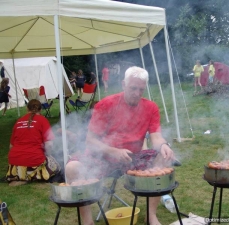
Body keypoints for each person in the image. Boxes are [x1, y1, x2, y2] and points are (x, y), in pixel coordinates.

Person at [65, 66, 175, 225]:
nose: (137, 93)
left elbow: (156, 137)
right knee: (72, 168)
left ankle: (151, 216)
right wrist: (114, 151)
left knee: (164, 159)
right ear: (124, 84)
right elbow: (90, 140)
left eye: (141, 89)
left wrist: (164, 145)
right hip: (103, 155)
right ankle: (87, 221)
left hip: (134, 157)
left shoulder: (151, 107)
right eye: (133, 88)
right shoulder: (105, 104)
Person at [5, 99, 61, 186]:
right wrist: (48, 156)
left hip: (14, 162)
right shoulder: (43, 120)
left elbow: (11, 146)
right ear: (40, 109)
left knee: (23, 164)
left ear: (27, 109)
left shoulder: (18, 121)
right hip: (33, 160)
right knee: (55, 165)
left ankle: (20, 176)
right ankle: (30, 177)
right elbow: (49, 144)